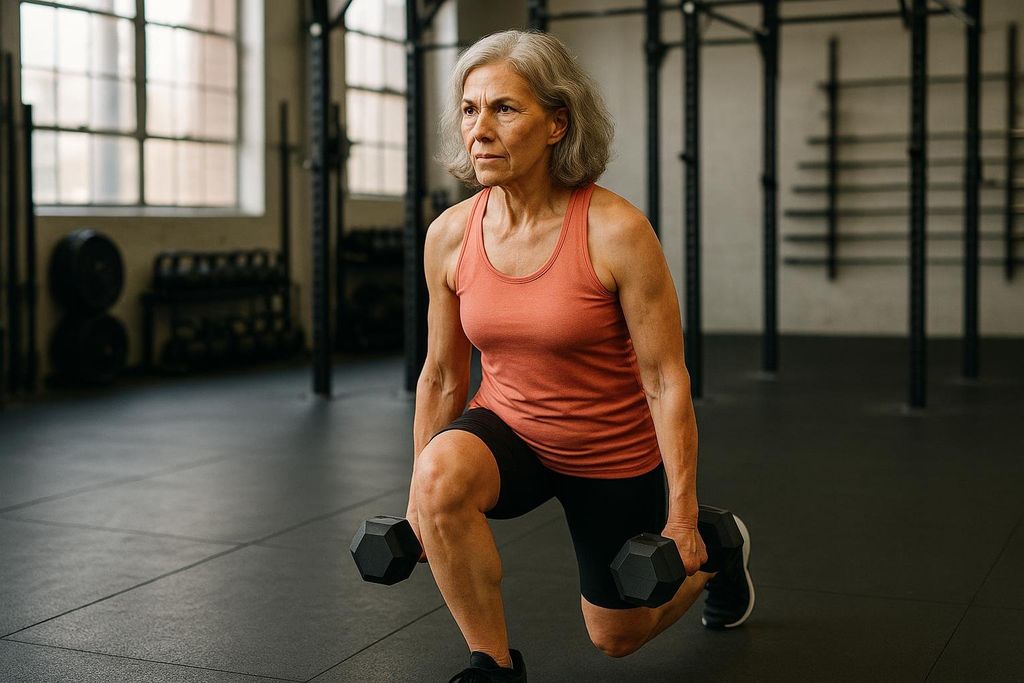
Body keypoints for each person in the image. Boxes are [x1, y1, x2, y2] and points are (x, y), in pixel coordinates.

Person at [406, 30, 754, 682]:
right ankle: (493, 664)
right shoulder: (450, 236)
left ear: (556, 123)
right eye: (469, 109)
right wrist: (414, 501)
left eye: (504, 109)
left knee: (616, 636)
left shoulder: (616, 231)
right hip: (509, 431)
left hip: (608, 449)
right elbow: (444, 373)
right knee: (439, 475)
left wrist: (681, 515)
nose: (480, 129)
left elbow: (665, 379)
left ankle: (720, 549)